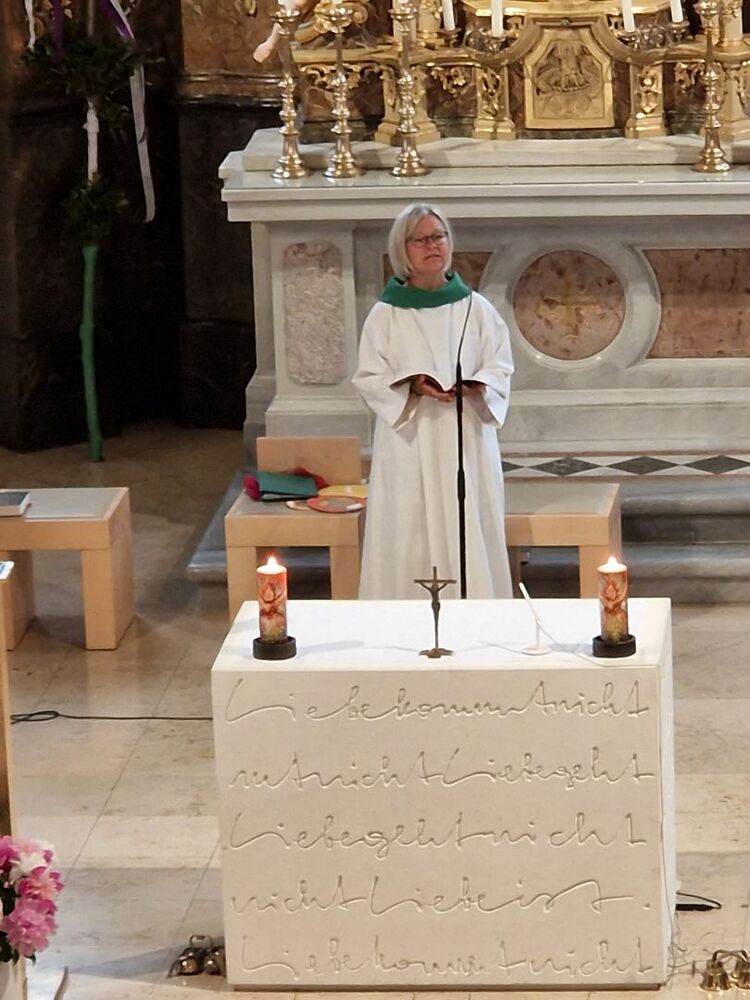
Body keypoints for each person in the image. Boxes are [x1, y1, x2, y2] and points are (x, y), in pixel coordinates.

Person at [353, 202, 514, 600]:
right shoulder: (385, 315)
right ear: (402, 250)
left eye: (438, 237)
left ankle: (475, 617)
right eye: (420, 240)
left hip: (466, 438)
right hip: (411, 440)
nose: (432, 246)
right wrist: (412, 385)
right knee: (409, 531)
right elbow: (369, 377)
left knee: (469, 524)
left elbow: (500, 366)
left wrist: (477, 385)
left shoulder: (475, 308)